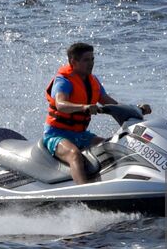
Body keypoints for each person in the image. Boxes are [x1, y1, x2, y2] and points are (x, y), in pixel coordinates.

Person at [43, 42, 150, 185]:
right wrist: (84, 107)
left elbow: (111, 103)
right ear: (73, 62)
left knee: (113, 147)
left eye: (92, 59)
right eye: (86, 60)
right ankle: (84, 193)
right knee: (74, 155)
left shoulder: (93, 81)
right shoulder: (63, 81)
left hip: (81, 135)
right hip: (56, 135)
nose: (91, 63)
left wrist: (137, 109)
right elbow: (61, 105)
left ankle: (120, 183)